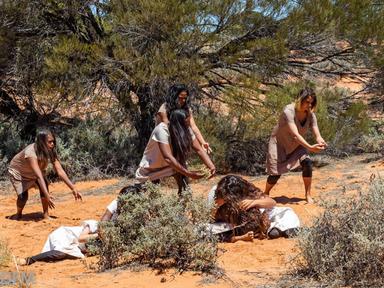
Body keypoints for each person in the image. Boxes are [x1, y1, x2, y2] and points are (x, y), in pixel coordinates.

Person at [16, 185, 139, 265]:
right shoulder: (93, 225)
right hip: (66, 236)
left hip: (78, 246)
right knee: (60, 253)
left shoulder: (128, 220)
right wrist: (100, 236)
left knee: (63, 254)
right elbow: (81, 238)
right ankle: (29, 260)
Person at [265, 87, 327, 204]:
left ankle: (307, 194)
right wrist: (310, 147)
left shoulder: (310, 115)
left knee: (307, 163)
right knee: (275, 174)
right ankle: (266, 193)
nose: (309, 105)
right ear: (300, 100)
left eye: (312, 103)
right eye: (307, 102)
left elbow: (316, 131)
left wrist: (320, 141)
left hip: (297, 144)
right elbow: (295, 134)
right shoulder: (288, 111)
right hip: (279, 144)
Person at [136, 108, 215, 195]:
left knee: (184, 187)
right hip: (151, 167)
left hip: (173, 165)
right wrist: (189, 173)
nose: (189, 125)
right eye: (186, 122)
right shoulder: (162, 130)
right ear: (179, 122)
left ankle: (184, 201)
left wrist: (211, 166)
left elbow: (199, 149)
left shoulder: (186, 130)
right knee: (142, 194)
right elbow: (168, 158)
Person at [8, 129, 82, 220]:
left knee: (44, 186)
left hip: (34, 172)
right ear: (42, 142)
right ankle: (18, 214)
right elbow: (38, 176)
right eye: (50, 142)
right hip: (19, 173)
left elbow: (60, 170)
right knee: (23, 197)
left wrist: (73, 188)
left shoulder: (50, 150)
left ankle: (46, 214)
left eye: (53, 141)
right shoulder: (30, 153)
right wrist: (47, 195)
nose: (53, 144)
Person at [208, 175, 300, 242]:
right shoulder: (215, 194)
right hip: (227, 223)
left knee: (287, 212)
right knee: (206, 230)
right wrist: (218, 204)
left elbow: (272, 202)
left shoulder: (246, 188)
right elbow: (208, 217)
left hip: (255, 217)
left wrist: (254, 202)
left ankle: (279, 230)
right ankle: (271, 230)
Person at [156, 84, 212, 153]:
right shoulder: (164, 108)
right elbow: (168, 127)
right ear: (174, 96)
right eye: (180, 98)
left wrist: (203, 142)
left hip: (179, 143)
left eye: (185, 98)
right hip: (164, 143)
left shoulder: (186, 109)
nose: (183, 100)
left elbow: (193, 126)